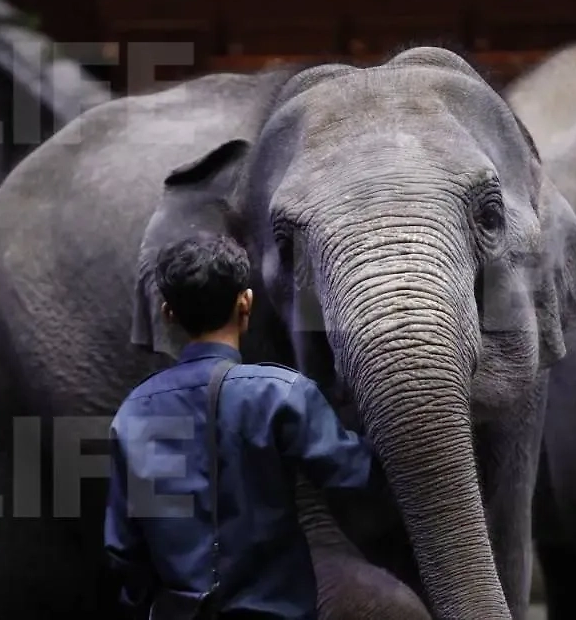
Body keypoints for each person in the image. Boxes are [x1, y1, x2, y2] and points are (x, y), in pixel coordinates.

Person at [104, 232, 384, 620]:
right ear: (245, 303)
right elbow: (356, 472)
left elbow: (124, 548)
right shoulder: (281, 394)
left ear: (168, 313)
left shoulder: (134, 413)